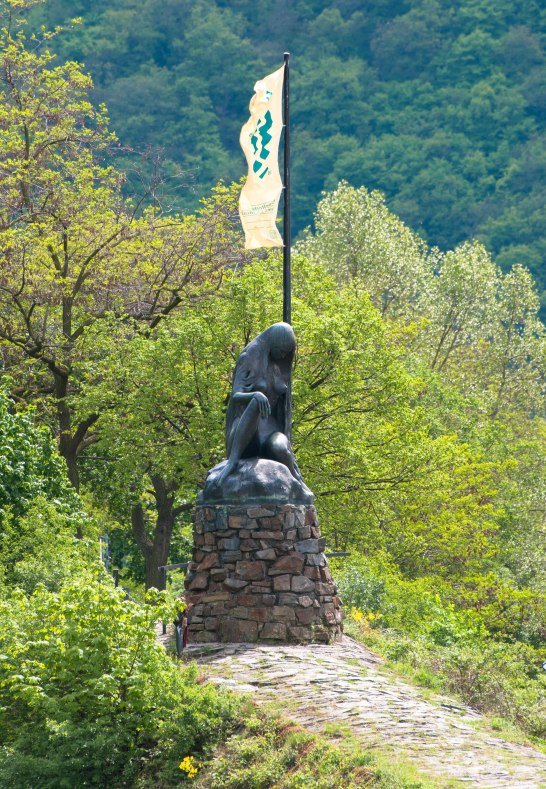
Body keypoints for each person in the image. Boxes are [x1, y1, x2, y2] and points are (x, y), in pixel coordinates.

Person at [216, 322, 302, 485]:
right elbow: (235, 395)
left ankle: (297, 482)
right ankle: (232, 462)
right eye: (281, 350)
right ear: (272, 343)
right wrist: (255, 394)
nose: (283, 355)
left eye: (287, 352)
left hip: (270, 430)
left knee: (280, 448)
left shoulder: (280, 366)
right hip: (246, 429)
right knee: (257, 399)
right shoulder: (249, 358)